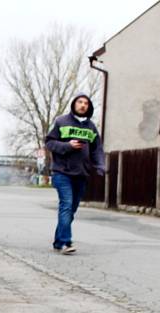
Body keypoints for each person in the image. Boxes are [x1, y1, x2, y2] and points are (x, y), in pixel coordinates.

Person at [44, 94, 105, 255]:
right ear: (74, 104)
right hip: (62, 172)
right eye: (80, 102)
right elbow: (49, 142)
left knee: (71, 209)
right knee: (66, 204)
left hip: (81, 174)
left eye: (86, 103)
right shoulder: (61, 122)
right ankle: (65, 242)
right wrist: (68, 145)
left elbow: (97, 149)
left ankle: (58, 241)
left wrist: (100, 165)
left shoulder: (91, 127)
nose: (83, 105)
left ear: (89, 107)